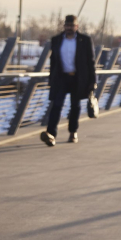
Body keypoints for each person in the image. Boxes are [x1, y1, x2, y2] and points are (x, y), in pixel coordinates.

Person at [41, 14, 96, 146]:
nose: (69, 28)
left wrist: (93, 81)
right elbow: (53, 61)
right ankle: (51, 135)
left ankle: (73, 132)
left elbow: (90, 62)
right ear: (64, 26)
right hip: (61, 78)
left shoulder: (85, 40)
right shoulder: (57, 40)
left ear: (77, 26)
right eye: (67, 25)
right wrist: (51, 78)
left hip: (78, 78)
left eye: (72, 25)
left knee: (75, 106)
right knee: (57, 105)